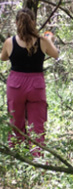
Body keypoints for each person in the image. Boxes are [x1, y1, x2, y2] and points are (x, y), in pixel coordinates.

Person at [1, 8, 59, 157]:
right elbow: (55, 54)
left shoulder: (10, 42)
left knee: (15, 123)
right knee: (37, 125)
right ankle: (38, 160)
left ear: (16, 23)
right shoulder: (43, 40)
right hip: (36, 85)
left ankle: (17, 157)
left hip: (15, 85)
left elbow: (3, 57)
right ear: (33, 22)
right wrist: (50, 40)